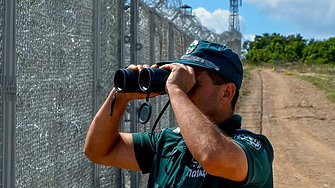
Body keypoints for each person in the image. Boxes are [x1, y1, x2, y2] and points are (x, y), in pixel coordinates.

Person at [84, 40, 274, 187]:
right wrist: (119, 97)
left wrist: (176, 89)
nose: (185, 87)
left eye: (194, 82)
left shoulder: (254, 148)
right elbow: (99, 150)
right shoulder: (167, 142)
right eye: (184, 80)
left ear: (226, 93)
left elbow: (211, 156)